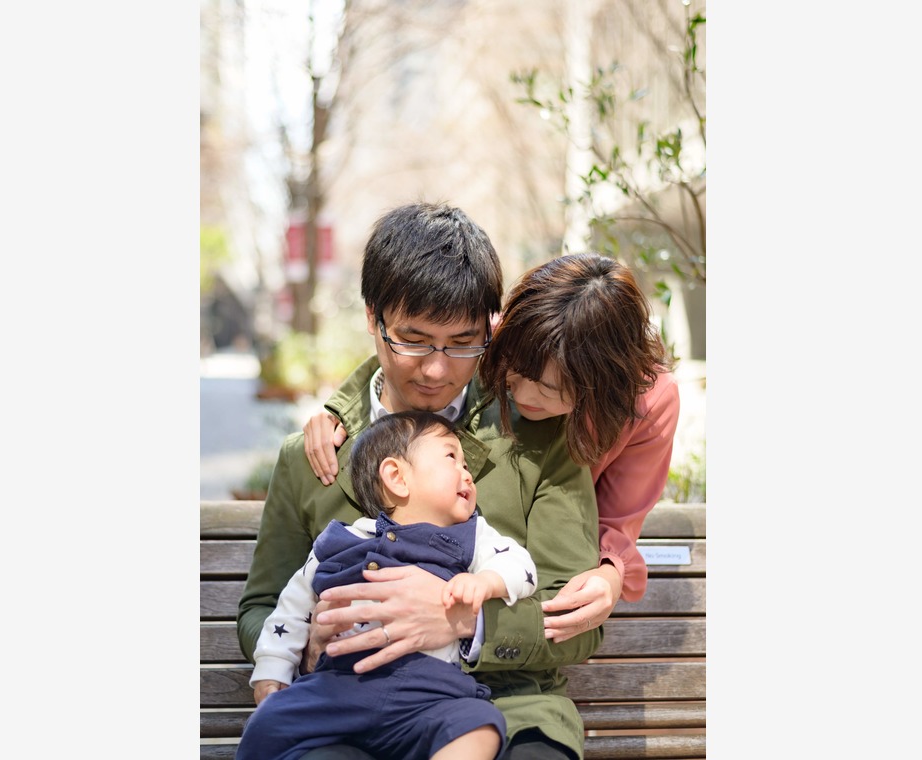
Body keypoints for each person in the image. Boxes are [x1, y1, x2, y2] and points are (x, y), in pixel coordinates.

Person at [237, 202, 602, 760]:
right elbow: (262, 605)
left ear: (490, 328)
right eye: (413, 340)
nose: (436, 368)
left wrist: (462, 620)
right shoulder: (309, 455)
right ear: (372, 318)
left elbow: (576, 620)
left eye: (462, 342)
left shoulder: (542, 439)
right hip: (343, 704)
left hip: (505, 707)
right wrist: (305, 645)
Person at [303, 252, 679, 646]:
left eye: (556, 390)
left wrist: (610, 571)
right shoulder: (507, 337)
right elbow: (410, 348)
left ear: (601, 384)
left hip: (548, 562)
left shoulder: (649, 404)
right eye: (520, 371)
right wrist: (342, 407)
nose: (525, 396)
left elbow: (621, 517)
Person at [237, 411, 537, 760]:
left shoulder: (472, 536)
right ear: (396, 476)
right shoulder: (340, 541)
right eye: (451, 456)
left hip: (429, 694)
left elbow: (520, 565)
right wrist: (272, 673)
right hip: (338, 689)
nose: (467, 472)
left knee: (480, 724)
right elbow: (290, 610)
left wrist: (486, 581)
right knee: (266, 724)